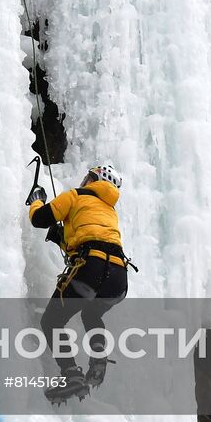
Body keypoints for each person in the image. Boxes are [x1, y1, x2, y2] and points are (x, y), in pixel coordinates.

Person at [28, 163, 131, 400]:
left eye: (88, 176)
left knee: (52, 321)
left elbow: (39, 218)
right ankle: (98, 357)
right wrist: (62, 239)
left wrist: (36, 199)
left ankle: (71, 374)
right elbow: (92, 235)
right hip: (118, 278)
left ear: (95, 179)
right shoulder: (109, 211)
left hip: (91, 267)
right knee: (91, 315)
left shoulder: (76, 195)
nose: (84, 179)